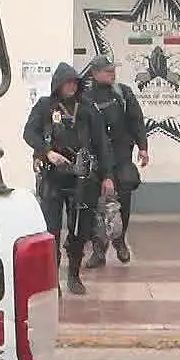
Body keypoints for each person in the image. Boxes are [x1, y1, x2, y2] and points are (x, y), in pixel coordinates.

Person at [22, 62, 113, 295]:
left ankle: (74, 274)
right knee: (51, 231)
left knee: (79, 230)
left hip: (81, 179)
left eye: (74, 83)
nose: (71, 87)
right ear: (58, 84)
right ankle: (53, 280)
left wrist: (107, 176)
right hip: (53, 178)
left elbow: (102, 143)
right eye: (67, 83)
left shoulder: (87, 108)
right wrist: (46, 152)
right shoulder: (45, 106)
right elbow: (29, 133)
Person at [78, 54, 149, 267]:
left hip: (121, 157)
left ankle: (119, 240)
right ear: (94, 73)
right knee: (95, 207)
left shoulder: (123, 93)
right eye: (107, 70)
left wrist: (143, 146)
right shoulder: (85, 97)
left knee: (123, 202)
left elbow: (136, 120)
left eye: (113, 69)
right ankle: (98, 250)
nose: (112, 73)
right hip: (96, 161)